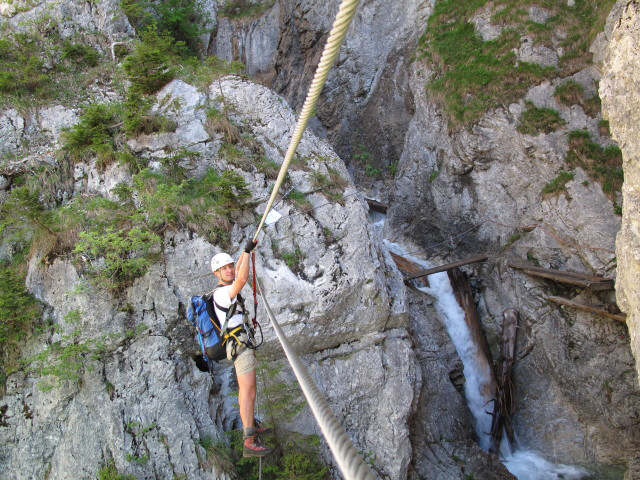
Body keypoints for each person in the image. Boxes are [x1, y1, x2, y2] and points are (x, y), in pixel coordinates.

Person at [210, 239, 274, 458]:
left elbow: (237, 270)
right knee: (247, 391)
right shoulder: (221, 294)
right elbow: (243, 277)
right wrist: (246, 252)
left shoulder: (226, 288)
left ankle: (251, 428)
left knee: (251, 389)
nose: (229, 271)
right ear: (216, 274)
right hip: (238, 345)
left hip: (241, 342)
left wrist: (245, 253)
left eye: (229, 267)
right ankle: (249, 440)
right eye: (223, 269)